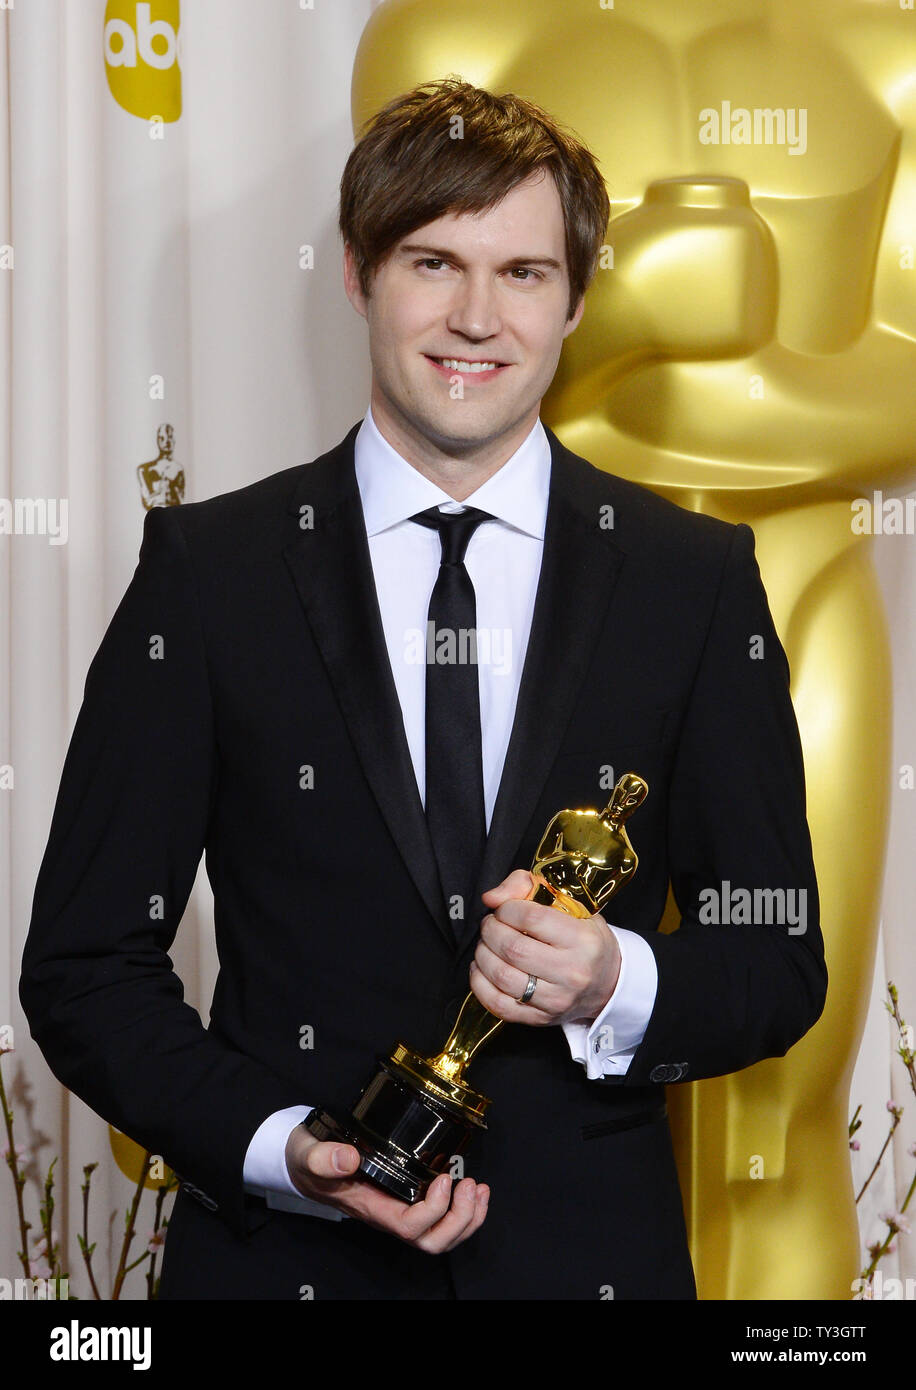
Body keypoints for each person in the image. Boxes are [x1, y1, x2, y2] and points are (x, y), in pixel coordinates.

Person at [20, 79, 826, 1300]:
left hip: (583, 1270)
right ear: (357, 274)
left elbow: (776, 954)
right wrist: (281, 1149)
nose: (473, 317)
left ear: (574, 302)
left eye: (522, 273)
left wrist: (616, 979)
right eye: (431, 261)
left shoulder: (693, 582)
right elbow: (82, 966)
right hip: (282, 1265)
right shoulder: (210, 574)